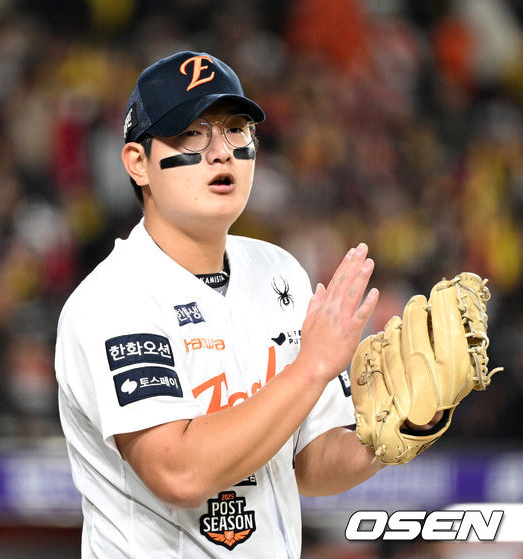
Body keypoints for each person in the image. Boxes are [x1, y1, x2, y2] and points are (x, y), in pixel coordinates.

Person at [55, 51, 438, 558]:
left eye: (236, 130)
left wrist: (401, 427)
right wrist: (312, 368)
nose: (222, 153)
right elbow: (178, 472)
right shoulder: (114, 298)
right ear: (138, 163)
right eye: (191, 134)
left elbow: (310, 465)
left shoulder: (278, 271)